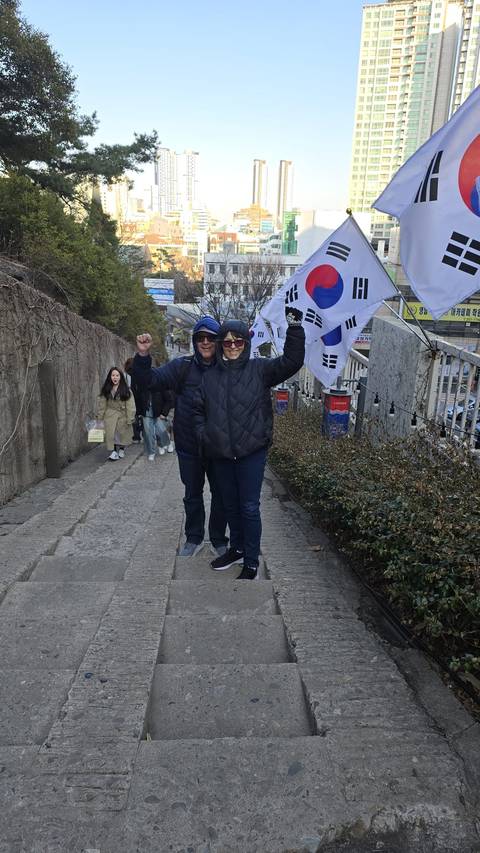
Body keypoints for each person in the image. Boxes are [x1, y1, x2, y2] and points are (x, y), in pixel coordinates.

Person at [193, 308, 305, 579]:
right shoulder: (209, 377)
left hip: (251, 451)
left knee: (249, 507)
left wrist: (295, 327)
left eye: (238, 341)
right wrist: (205, 436)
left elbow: (291, 361)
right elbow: (198, 410)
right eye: (228, 342)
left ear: (246, 343)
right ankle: (237, 548)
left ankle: (251, 560)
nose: (232, 347)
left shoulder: (260, 369)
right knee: (230, 505)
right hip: (221, 452)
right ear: (221, 345)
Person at [133, 317, 229, 557]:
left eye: (210, 338)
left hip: (219, 447)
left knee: (222, 495)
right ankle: (193, 537)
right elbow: (148, 381)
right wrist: (143, 356)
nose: (205, 342)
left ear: (218, 341)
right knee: (192, 494)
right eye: (200, 338)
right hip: (189, 446)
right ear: (195, 340)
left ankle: (218, 539)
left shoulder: (229, 369)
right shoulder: (182, 367)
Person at [98, 367, 136, 461]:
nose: (115, 377)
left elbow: (130, 405)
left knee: (122, 434)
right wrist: (100, 417)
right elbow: (102, 404)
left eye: (117, 375)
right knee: (112, 434)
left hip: (122, 414)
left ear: (120, 377)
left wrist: (130, 417)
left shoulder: (126, 390)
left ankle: (122, 448)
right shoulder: (106, 389)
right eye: (113, 375)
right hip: (110, 415)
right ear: (110, 377)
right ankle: (114, 451)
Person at [124, 357, 142, 443]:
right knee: (138, 417)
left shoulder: (128, 374)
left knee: (134, 418)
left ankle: (136, 436)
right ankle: (138, 435)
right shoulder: (138, 373)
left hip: (132, 398)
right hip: (138, 398)